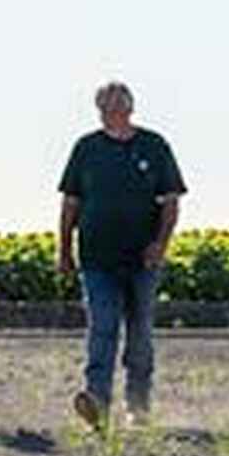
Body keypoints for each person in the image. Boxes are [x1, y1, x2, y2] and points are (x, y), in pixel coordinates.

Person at [57, 80, 187, 429]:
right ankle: (96, 403)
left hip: (142, 260)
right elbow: (71, 202)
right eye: (105, 107)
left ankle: (138, 407)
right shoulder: (86, 149)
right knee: (102, 328)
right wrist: (64, 250)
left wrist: (160, 244)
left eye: (118, 106)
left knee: (140, 332)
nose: (112, 112)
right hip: (97, 259)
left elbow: (170, 202)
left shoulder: (154, 146)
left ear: (130, 108)